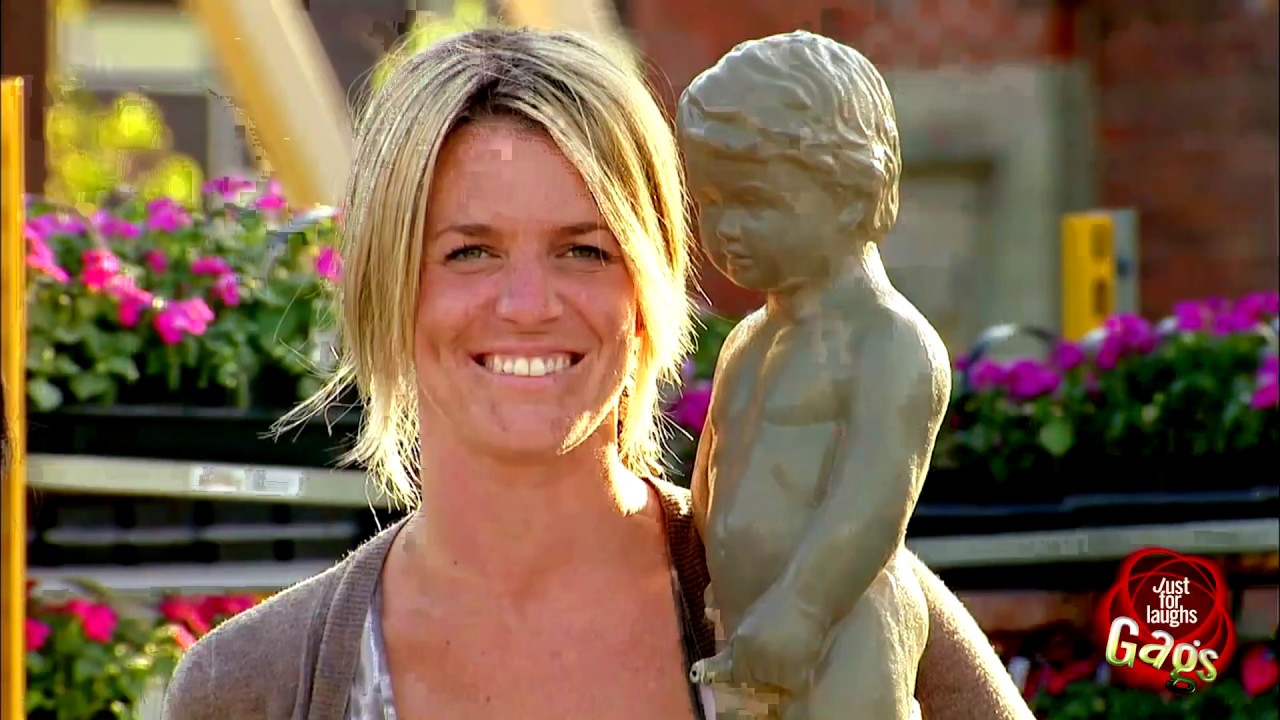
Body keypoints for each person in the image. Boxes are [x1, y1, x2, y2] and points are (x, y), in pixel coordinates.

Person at [162, 28, 1030, 720]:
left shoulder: (850, 605)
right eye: (470, 251)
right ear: (385, 285)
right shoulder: (254, 686)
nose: (528, 304)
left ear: (651, 287)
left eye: (584, 249)